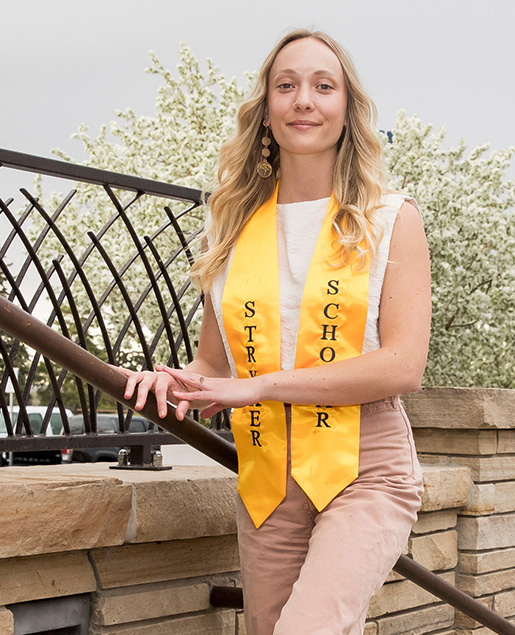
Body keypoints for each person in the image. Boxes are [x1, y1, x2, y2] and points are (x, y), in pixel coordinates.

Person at [122, 29, 431, 635]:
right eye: (285, 86)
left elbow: (402, 365)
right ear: (266, 110)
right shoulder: (231, 229)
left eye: (323, 86)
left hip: (364, 465)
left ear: (347, 109)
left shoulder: (389, 220)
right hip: (267, 474)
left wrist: (260, 387)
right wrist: (174, 381)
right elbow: (215, 364)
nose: (304, 101)